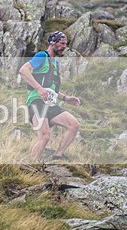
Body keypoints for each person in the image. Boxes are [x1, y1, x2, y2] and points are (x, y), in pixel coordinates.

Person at [18, 31, 81, 161]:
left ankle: (57, 157)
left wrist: (66, 98)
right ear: (53, 43)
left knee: (74, 125)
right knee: (45, 135)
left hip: (51, 104)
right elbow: (23, 70)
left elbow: (51, 89)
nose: (64, 47)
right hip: (36, 101)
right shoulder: (42, 56)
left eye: (66, 44)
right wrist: (39, 89)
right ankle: (32, 163)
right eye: (62, 43)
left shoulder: (56, 64)